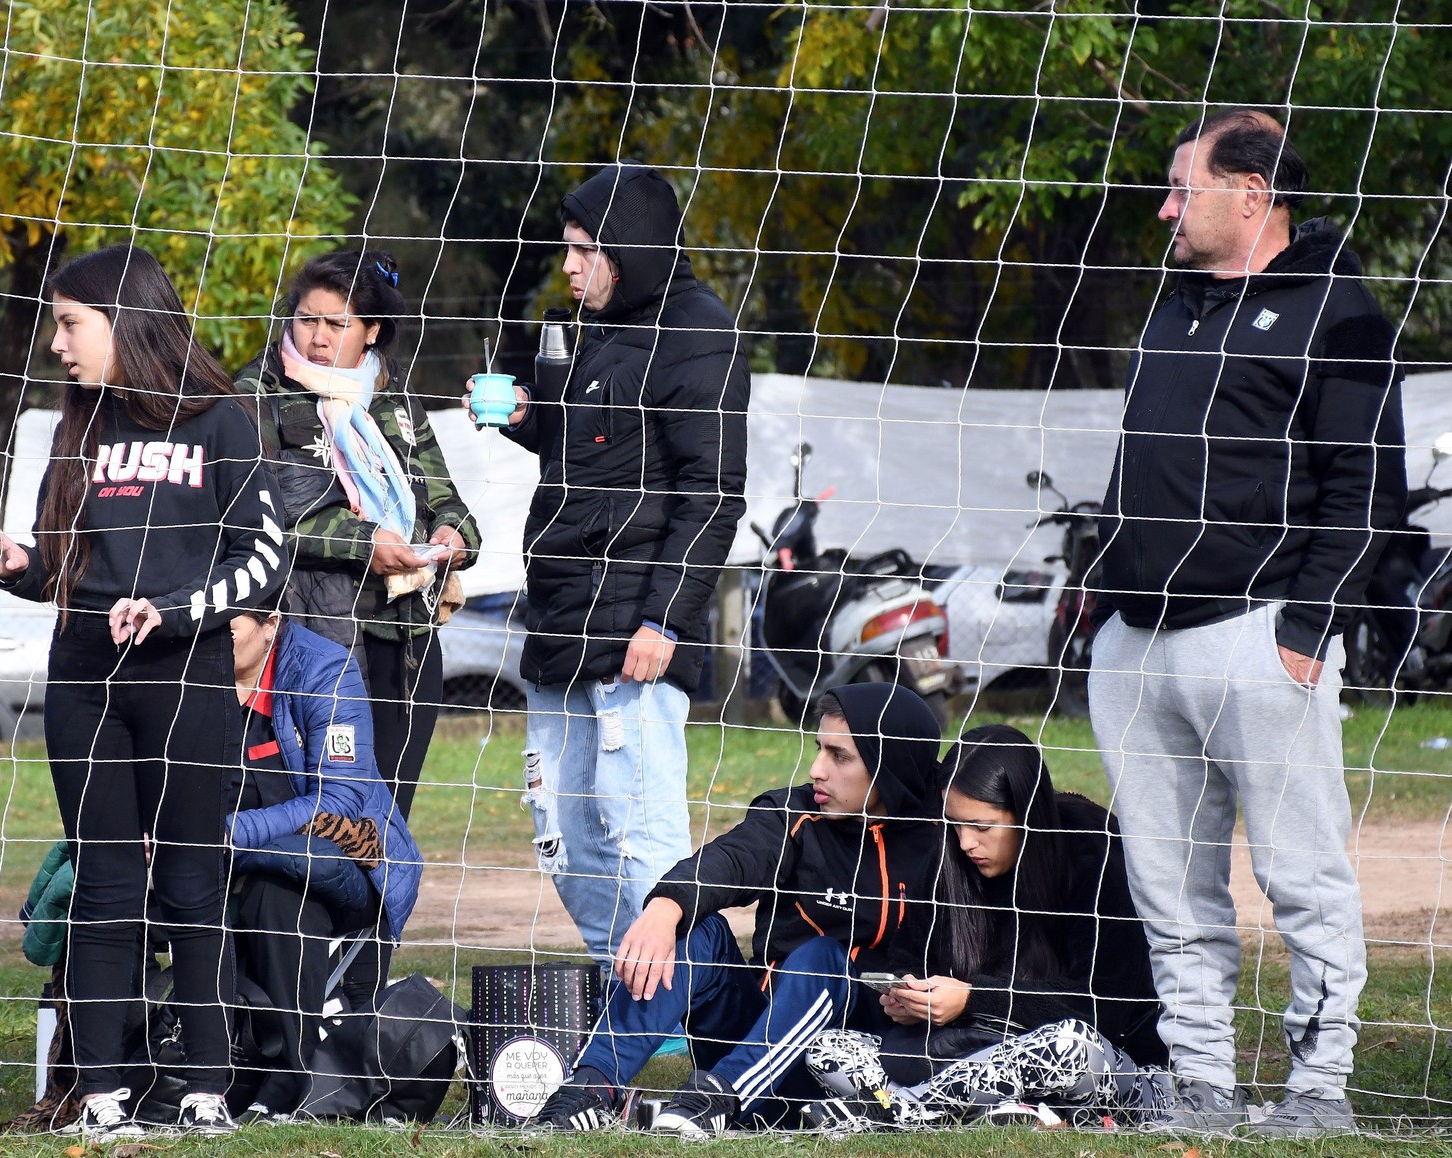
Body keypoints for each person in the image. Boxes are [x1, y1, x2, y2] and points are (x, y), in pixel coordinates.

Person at [1087, 108, 1407, 1138]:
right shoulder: (1173, 305)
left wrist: (1306, 628)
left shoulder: (1341, 310)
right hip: (1135, 646)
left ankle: (1318, 1093)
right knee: (1167, 887)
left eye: (1183, 188)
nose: (1164, 207)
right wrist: (1100, 585)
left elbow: (1366, 490)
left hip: (1258, 636)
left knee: (1300, 877)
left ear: (1250, 194)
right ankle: (1199, 1083)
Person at [0, 244, 291, 1140]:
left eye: (71, 324)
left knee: (192, 884)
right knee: (105, 884)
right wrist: (16, 562)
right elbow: (60, 563)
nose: (58, 344)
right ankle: (101, 1093)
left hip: (183, 680)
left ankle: (205, 1090)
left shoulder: (224, 420)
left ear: (127, 319)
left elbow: (263, 560)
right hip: (85, 683)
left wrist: (178, 611)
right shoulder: (78, 428)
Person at [466, 163, 749, 962]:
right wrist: (527, 416)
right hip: (560, 615)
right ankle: (619, 999)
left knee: (638, 832)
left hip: (635, 632)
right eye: (566, 249)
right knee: (562, 828)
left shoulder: (699, 331)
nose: (568, 266)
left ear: (629, 248)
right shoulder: (601, 328)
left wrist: (666, 618)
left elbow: (711, 493)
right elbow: (597, 452)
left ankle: (700, 1009)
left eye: (584, 250)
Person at [528, 683, 941, 1138]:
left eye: (839, 756)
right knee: (693, 929)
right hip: (758, 1040)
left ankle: (717, 1100)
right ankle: (590, 1089)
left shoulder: (950, 839)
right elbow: (735, 857)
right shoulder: (796, 813)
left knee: (822, 959)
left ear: (890, 766)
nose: (816, 770)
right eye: (819, 749)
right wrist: (666, 906)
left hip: (863, 1070)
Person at [801, 725, 1166, 1131]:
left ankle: (904, 1111)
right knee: (828, 1049)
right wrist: (910, 997)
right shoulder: (949, 860)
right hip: (969, 1052)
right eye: (955, 824)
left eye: (982, 826)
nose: (965, 843)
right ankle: (980, 1111)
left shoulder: (1092, 853)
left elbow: (1109, 1008)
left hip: (1102, 1065)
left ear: (1025, 814)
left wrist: (975, 999)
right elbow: (909, 954)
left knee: (1068, 1045)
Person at [235, 248, 480, 822]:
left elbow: (450, 501)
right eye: (307, 319)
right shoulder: (259, 393)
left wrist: (451, 535)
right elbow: (265, 511)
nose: (318, 337)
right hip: (313, 638)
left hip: (407, 639)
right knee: (323, 813)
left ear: (371, 331)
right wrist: (366, 543)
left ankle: (379, 916)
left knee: (389, 816)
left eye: (337, 324)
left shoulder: (394, 402)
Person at [223, 604, 422, 1117]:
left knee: (277, 900)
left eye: (229, 628)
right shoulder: (190, 672)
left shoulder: (324, 668)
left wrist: (226, 834)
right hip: (227, 860)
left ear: (270, 622)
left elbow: (339, 801)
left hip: (341, 857)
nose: (214, 642)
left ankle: (284, 1079)